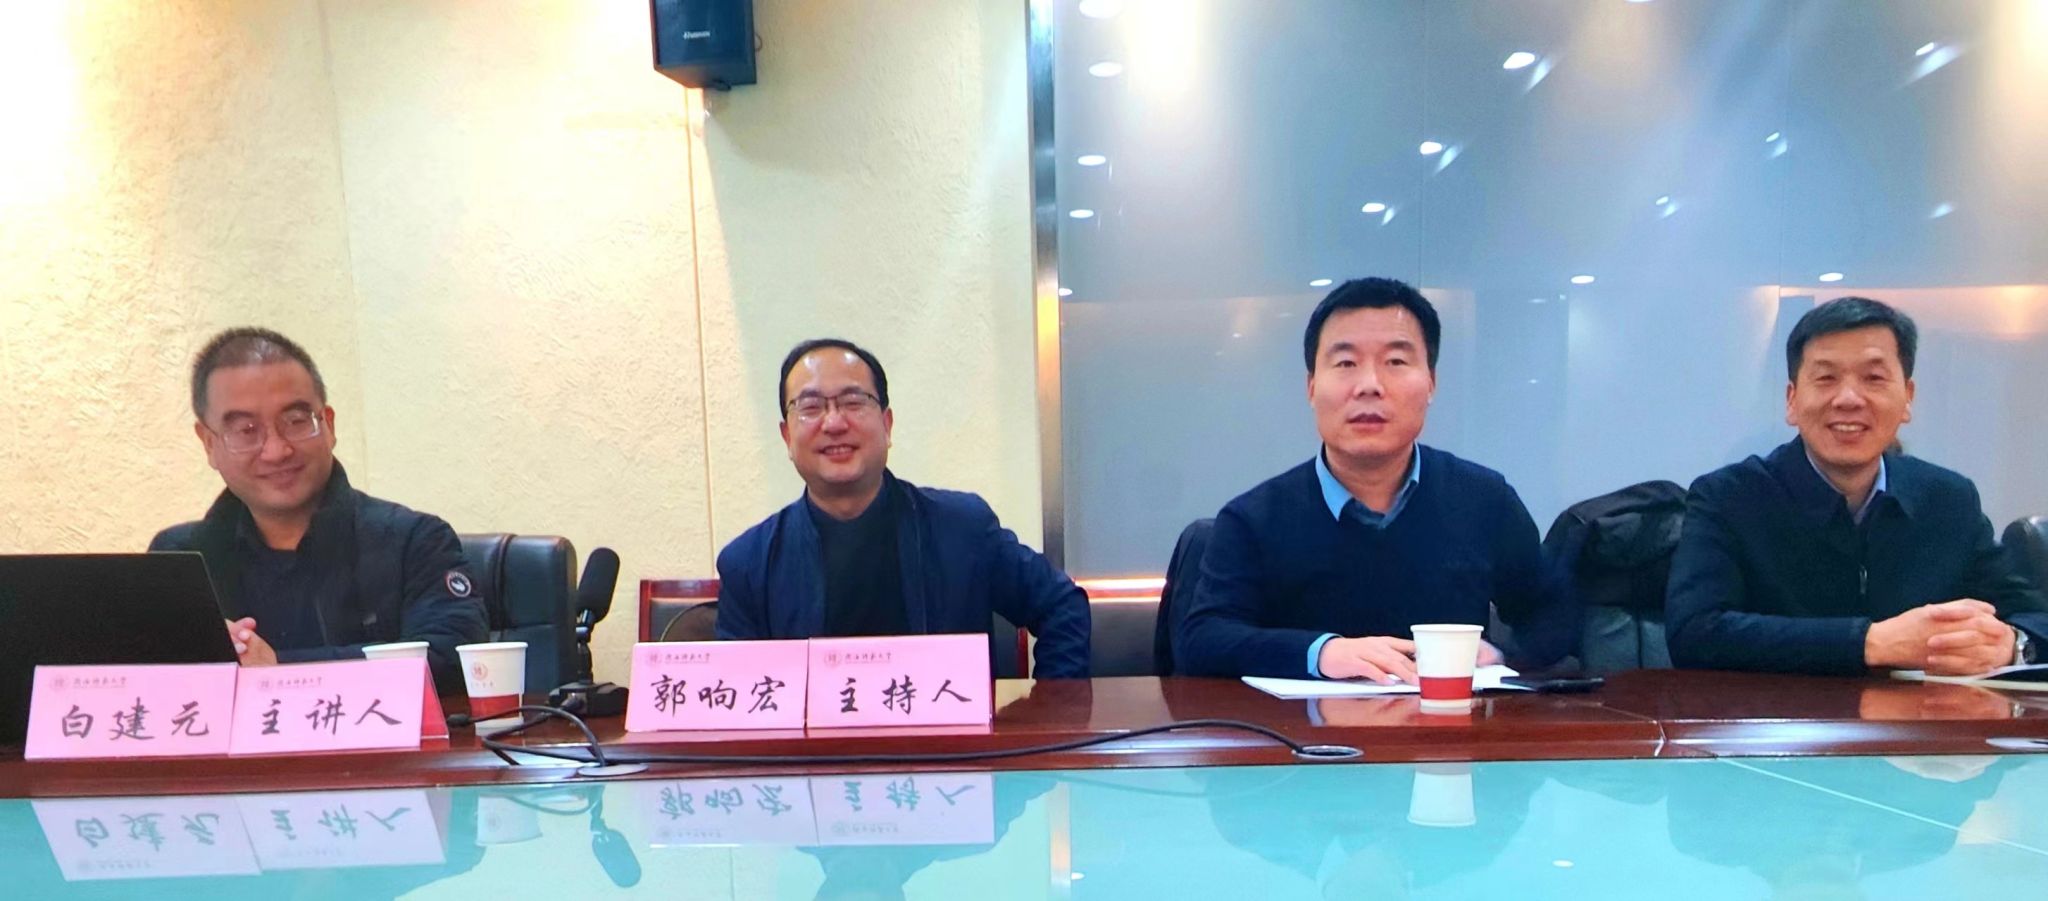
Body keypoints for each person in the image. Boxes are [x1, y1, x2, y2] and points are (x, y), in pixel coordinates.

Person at [1174, 277, 1577, 680]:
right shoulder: (1253, 518)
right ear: (1311, 387)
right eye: (1346, 363)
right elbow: (1203, 640)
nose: (1369, 386)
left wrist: (1500, 654)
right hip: (1302, 722)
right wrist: (1321, 653)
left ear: (1431, 383)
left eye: (1396, 362)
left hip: (1445, 718)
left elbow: (1554, 614)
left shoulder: (1485, 500)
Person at [1666, 296, 2048, 675]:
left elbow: (2034, 617)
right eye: (1826, 378)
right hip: (1780, 713)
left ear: (1908, 399)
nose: (1848, 399)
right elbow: (1694, 634)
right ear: (1792, 401)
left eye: (1874, 378)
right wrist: (1871, 642)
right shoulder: (1729, 496)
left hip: (1922, 713)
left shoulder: (1948, 500)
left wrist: (2013, 645)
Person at [715, 338, 1090, 677]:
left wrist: (1048, 712)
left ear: (887, 424)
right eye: (811, 407)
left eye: (853, 402)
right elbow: (737, 694)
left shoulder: (963, 528)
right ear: (786, 437)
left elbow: (1062, 606)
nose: (834, 422)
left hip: (949, 734)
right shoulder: (749, 564)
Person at [150, 328, 486, 690]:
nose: (276, 450)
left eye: (296, 422)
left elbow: (456, 659)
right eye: (246, 430)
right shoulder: (179, 558)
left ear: (328, 425)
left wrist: (279, 670)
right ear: (208, 444)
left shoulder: (414, 541)